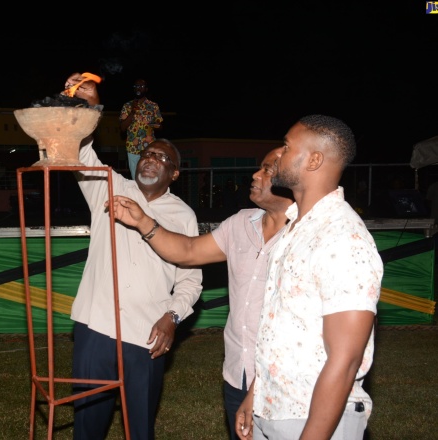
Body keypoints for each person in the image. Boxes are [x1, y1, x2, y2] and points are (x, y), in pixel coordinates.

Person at [106, 148, 294, 440]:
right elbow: (189, 251)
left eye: (268, 170)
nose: (256, 175)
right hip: (237, 371)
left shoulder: (310, 234)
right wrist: (143, 222)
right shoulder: (241, 223)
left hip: (288, 380)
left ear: (293, 181)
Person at [65, 73, 202, 440]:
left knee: (138, 426)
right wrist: (89, 106)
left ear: (173, 173)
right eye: (146, 152)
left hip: (146, 333)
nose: (150, 159)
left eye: (161, 157)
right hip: (96, 327)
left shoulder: (183, 215)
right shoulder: (109, 185)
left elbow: (190, 278)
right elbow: (77, 149)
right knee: (88, 425)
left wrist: (173, 317)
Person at [235, 115, 384, 440]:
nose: (278, 156)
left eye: (287, 147)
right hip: (273, 408)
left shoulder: (343, 238)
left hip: (314, 417)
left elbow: (345, 359)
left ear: (314, 159)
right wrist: (256, 395)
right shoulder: (296, 228)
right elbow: (284, 329)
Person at [119, 78, 163, 178]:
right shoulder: (127, 106)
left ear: (146, 89)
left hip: (149, 148)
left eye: (141, 86)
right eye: (136, 86)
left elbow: (160, 126)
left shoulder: (153, 106)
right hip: (132, 148)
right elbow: (122, 128)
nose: (139, 88)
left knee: (150, 177)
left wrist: (153, 124)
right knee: (136, 179)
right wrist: (133, 111)